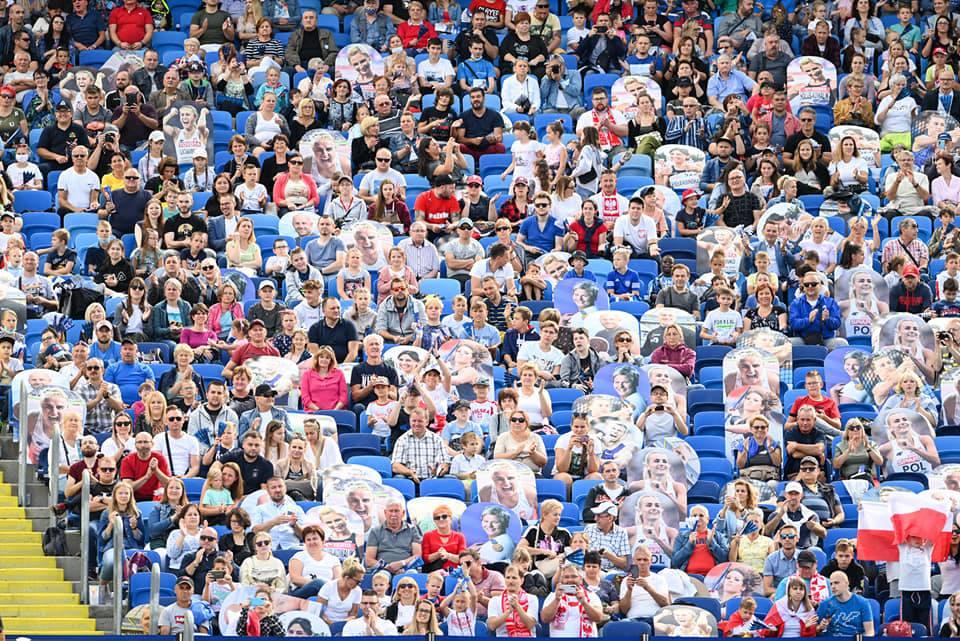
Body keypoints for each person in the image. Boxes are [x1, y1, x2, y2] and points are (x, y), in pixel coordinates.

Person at [541, 564, 604, 636]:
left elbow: (598, 618)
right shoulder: (553, 596)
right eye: (566, 577)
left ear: (580, 579)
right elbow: (545, 619)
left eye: (574, 576)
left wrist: (584, 603)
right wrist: (557, 599)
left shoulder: (591, 595)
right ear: (561, 580)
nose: (570, 580)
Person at [816, 572, 875, 636]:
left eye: (836, 583)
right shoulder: (824, 604)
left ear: (846, 583)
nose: (833, 586)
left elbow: (870, 632)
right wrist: (820, 628)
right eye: (831, 584)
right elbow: (815, 631)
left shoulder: (863, 603)